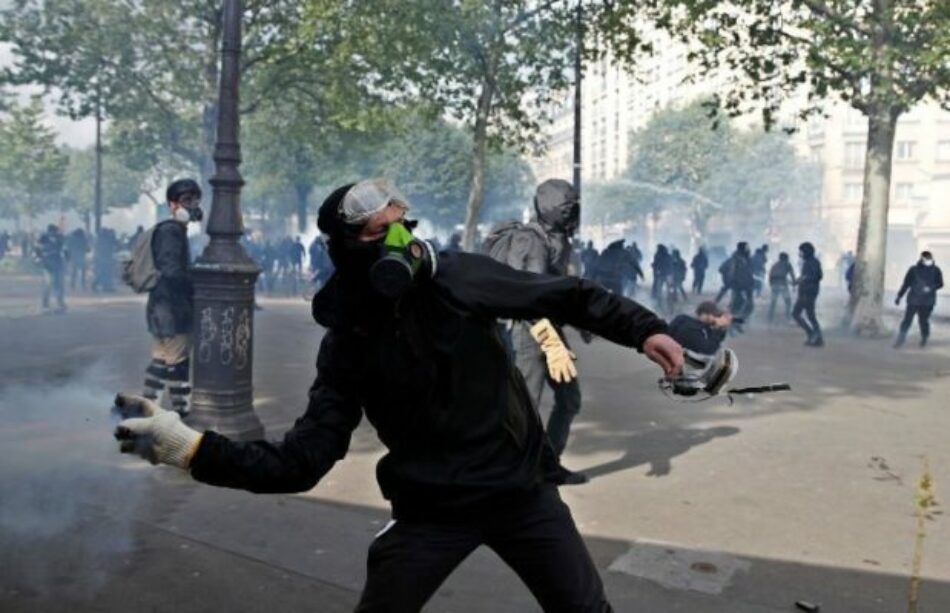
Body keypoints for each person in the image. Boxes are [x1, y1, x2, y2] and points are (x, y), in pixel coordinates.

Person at [115, 178, 684, 612]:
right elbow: (300, 462)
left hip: (522, 495)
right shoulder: (348, 342)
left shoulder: (456, 276)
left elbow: (568, 295)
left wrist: (646, 330)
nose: (401, 240)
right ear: (347, 250)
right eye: (379, 233)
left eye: (403, 225)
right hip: (431, 512)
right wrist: (187, 448)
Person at [483, 179, 590, 485]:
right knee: (525, 409)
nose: (574, 215)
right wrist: (551, 343)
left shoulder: (559, 239)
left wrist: (582, 323)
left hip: (549, 329)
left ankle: (547, 464)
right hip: (531, 333)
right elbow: (529, 298)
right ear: (551, 209)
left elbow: (558, 290)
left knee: (569, 400)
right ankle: (516, 474)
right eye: (568, 209)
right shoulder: (531, 240)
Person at [141, 179, 203, 415]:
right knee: (178, 363)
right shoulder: (172, 231)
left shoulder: (172, 230)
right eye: (187, 200)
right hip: (172, 309)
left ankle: (148, 408)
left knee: (160, 361)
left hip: (161, 310)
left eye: (195, 200)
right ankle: (182, 412)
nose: (194, 205)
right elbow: (171, 271)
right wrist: (195, 281)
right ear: (173, 205)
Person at [894, 251, 944, 348]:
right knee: (907, 320)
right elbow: (906, 284)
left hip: (928, 301)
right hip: (914, 299)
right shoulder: (913, 270)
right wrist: (899, 296)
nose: (928, 261)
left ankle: (924, 337)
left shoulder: (936, 270)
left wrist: (931, 288)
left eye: (929, 259)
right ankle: (900, 339)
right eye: (926, 259)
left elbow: (940, 284)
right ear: (921, 259)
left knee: (923, 321)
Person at [669, 301, 733, 356]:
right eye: (715, 315)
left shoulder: (688, 322)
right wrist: (717, 329)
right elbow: (707, 351)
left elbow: (711, 339)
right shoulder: (691, 329)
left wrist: (722, 328)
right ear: (708, 315)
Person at [792, 241, 824, 347]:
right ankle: (815, 336)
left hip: (809, 292)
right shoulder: (808, 262)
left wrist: (804, 279)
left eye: (801, 252)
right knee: (807, 315)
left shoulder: (813, 262)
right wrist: (798, 280)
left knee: (802, 314)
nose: (800, 254)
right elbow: (805, 276)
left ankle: (814, 335)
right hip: (805, 291)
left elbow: (817, 276)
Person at [34, 224, 68, 313]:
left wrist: (67, 258)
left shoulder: (60, 238)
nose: (53, 234)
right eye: (51, 232)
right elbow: (37, 249)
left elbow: (65, 249)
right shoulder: (43, 238)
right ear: (48, 232)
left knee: (59, 284)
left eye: (54, 232)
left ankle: (60, 304)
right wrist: (38, 258)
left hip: (58, 263)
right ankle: (45, 305)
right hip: (47, 264)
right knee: (48, 284)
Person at [767, 252, 795, 323]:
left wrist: (771, 284)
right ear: (786, 258)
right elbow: (792, 274)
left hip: (774, 284)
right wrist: (794, 284)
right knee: (788, 302)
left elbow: (770, 275)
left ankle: (770, 317)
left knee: (773, 301)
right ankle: (788, 316)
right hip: (783, 284)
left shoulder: (775, 265)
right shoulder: (787, 264)